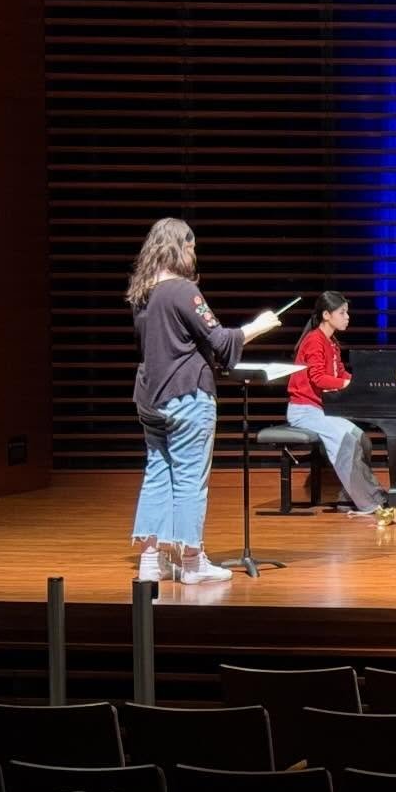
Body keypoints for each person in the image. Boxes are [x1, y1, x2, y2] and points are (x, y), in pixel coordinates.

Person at [129, 217, 280, 584]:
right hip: (186, 396)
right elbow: (221, 341)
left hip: (151, 396)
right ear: (179, 247)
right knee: (189, 479)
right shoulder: (182, 291)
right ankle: (192, 562)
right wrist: (260, 325)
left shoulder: (142, 293)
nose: (194, 255)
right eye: (192, 247)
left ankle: (152, 562)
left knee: (157, 474)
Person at [286, 291, 392, 521]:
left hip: (319, 410)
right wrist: (347, 383)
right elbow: (317, 378)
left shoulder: (331, 342)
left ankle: (351, 494)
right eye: (342, 313)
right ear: (326, 315)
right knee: (346, 442)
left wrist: (359, 382)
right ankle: (368, 503)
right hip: (304, 410)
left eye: (347, 312)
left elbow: (338, 372)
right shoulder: (314, 340)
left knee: (361, 438)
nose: (347, 317)